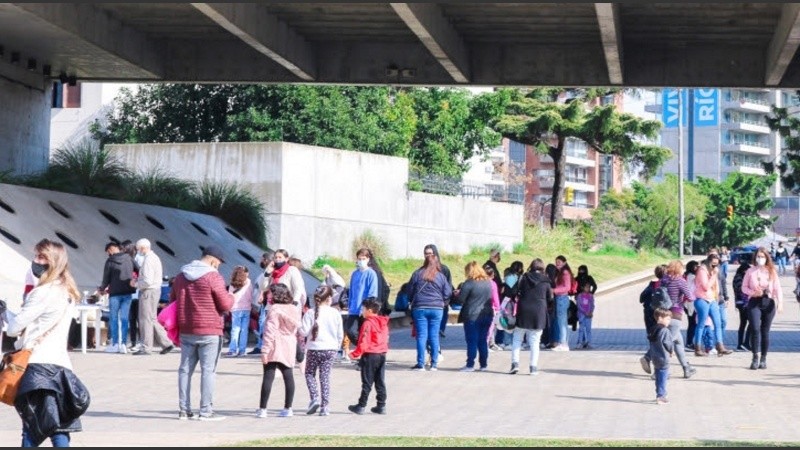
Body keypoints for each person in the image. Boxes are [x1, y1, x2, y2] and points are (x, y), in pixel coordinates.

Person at [2, 239, 90, 447]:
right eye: (36, 255)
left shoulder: (42, 292)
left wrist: (7, 315)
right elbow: (38, 323)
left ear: (54, 262)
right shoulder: (67, 292)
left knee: (31, 428)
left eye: (42, 257)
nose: (36, 261)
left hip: (38, 366)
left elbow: (14, 328)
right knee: (58, 428)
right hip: (61, 367)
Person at [171, 244, 234, 421]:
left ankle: (184, 410)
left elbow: (172, 300)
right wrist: (232, 296)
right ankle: (205, 411)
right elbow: (225, 305)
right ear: (213, 260)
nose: (218, 266)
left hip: (186, 329)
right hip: (210, 330)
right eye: (219, 263)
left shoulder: (181, 276)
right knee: (208, 371)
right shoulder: (213, 277)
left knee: (184, 370)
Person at [256, 283, 301, 418]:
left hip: (275, 344)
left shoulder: (274, 309)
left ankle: (263, 409)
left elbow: (270, 331)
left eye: (270, 293)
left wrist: (265, 350)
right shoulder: (294, 308)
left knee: (268, 376)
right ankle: (288, 408)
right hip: (289, 344)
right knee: (288, 376)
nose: (268, 296)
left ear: (275, 294)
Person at [299, 285, 343, 417]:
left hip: (314, 348)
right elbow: (339, 333)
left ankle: (314, 398)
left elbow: (304, 331)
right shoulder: (335, 313)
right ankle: (325, 406)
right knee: (325, 377)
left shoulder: (310, 313)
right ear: (329, 298)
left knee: (309, 373)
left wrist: (298, 326)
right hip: (330, 349)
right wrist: (337, 347)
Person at [407, 249, 452, 371]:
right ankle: (434, 364)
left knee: (422, 336)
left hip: (420, 308)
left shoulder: (417, 274)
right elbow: (448, 293)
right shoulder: (441, 276)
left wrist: (412, 300)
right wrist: (441, 301)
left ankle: (420, 364)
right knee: (434, 336)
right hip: (437, 308)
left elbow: (409, 290)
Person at [741, 247, 784, 370]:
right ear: (755, 258)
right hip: (754, 302)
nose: (760, 259)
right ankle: (755, 356)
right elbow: (744, 287)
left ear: (767, 258)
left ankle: (763, 358)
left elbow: (777, 288)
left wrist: (780, 302)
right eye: (758, 257)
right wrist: (752, 292)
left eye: (763, 257)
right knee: (755, 329)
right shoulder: (750, 271)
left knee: (765, 331)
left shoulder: (771, 271)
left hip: (768, 302)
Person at [509, 258, 552, 375]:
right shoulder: (546, 281)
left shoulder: (523, 277)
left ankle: (515, 364)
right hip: (539, 313)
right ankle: (533, 368)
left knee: (517, 338)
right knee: (535, 341)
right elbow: (550, 298)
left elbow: (513, 292)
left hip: (523, 310)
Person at [347, 298, 389, 415]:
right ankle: (381, 405)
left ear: (370, 310)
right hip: (382, 354)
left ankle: (361, 405)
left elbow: (363, 341)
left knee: (367, 381)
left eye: (363, 309)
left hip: (370, 355)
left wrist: (354, 354)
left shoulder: (367, 323)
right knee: (380, 380)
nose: (362, 311)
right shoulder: (383, 323)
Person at [133, 238, 173, 355]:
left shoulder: (148, 260)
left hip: (148, 291)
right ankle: (166, 343)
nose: (138, 252)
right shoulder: (154, 258)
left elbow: (147, 281)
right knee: (152, 318)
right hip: (155, 290)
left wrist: (135, 283)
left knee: (145, 319)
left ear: (142, 248)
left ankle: (146, 347)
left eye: (138, 249)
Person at [97, 241, 137, 354]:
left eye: (108, 251)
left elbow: (106, 278)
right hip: (127, 293)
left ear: (111, 249)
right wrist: (135, 280)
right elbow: (139, 269)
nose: (108, 254)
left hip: (114, 294)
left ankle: (115, 344)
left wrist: (101, 289)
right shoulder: (129, 258)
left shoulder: (110, 261)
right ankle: (123, 344)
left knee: (113, 318)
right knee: (124, 318)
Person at [456, 261, 495, 372]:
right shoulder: (488, 282)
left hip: (472, 316)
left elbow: (461, 300)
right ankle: (483, 365)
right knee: (482, 340)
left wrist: (457, 294)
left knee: (472, 340)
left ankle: (470, 365)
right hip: (487, 314)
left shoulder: (469, 283)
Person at [692, 253, 732, 357]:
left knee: (718, 323)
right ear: (708, 262)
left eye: (717, 265)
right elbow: (706, 286)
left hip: (713, 300)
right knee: (701, 324)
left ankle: (720, 346)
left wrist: (719, 298)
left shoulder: (713, 271)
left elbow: (717, 286)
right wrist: (714, 275)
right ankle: (698, 347)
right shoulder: (702, 270)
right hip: (702, 299)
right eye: (713, 264)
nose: (715, 267)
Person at [423, 244, 452, 339]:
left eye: (430, 253)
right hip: (426, 302)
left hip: (441, 301)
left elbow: (448, 285)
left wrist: (446, 301)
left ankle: (441, 330)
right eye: (426, 254)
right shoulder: (421, 270)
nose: (428, 256)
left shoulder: (444, 269)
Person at [248, 251, 275, 355]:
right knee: (262, 323)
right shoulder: (266, 272)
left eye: (262, 259)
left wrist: (262, 294)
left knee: (263, 323)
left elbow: (266, 286)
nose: (260, 261)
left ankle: (261, 345)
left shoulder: (271, 272)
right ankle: (261, 345)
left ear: (267, 260)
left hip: (268, 302)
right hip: (264, 302)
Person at [225, 265, 253, 357]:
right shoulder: (248, 282)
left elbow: (230, 296)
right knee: (244, 330)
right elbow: (250, 295)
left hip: (235, 309)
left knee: (235, 329)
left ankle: (232, 350)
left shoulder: (233, 283)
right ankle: (242, 351)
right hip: (246, 308)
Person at [649, 308, 674, 405]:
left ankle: (660, 393)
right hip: (663, 357)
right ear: (660, 318)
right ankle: (661, 396)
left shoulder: (653, 329)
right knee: (663, 377)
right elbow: (668, 343)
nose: (669, 321)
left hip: (655, 357)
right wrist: (671, 350)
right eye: (667, 319)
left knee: (658, 376)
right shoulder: (665, 331)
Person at [551, 255, 574, 351]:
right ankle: (563, 342)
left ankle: (563, 343)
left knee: (562, 322)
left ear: (564, 262)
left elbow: (567, 287)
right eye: (556, 262)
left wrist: (554, 290)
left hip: (562, 298)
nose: (557, 264)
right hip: (560, 298)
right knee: (562, 322)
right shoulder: (561, 272)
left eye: (559, 262)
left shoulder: (565, 272)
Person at [732, 260, 753, 351]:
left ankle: (741, 344)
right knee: (751, 322)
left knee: (744, 323)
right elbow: (741, 290)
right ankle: (745, 343)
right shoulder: (739, 278)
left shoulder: (741, 277)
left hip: (743, 303)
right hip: (742, 303)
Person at [574, 282, 595, 349]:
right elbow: (579, 305)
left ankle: (589, 342)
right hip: (582, 315)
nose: (588, 288)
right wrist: (584, 312)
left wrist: (591, 312)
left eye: (589, 287)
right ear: (583, 288)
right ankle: (580, 342)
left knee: (588, 329)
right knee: (581, 329)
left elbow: (592, 305)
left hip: (589, 315)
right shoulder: (580, 296)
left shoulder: (591, 296)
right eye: (586, 287)